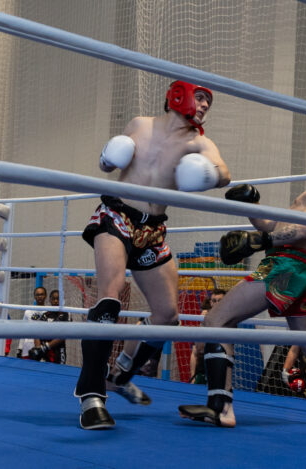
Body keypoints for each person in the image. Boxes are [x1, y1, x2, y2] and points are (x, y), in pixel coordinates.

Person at [179, 139, 306, 428]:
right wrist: (252, 208)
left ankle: (221, 408)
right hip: (297, 265)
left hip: (284, 266)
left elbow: (300, 231)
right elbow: (279, 229)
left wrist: (257, 241)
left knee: (217, 320)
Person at [75, 80, 231, 430]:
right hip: (116, 216)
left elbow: (224, 173)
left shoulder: (199, 143)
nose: (205, 106)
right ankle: (92, 397)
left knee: (167, 315)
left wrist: (209, 173)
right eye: (200, 97)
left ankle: (121, 374)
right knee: (109, 299)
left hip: (152, 230)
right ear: (178, 95)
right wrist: (106, 157)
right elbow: (106, 168)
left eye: (208, 102)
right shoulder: (140, 125)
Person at [189, 289, 227, 384]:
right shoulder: (205, 319)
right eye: (214, 301)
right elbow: (195, 353)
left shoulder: (229, 319)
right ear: (210, 302)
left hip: (220, 367)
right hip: (203, 369)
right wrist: (193, 376)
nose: (217, 304)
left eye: (220, 301)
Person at [27, 290, 70, 364]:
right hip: (44, 352)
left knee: (59, 370)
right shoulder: (45, 315)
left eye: (58, 299)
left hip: (58, 351)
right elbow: (37, 332)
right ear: (50, 300)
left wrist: (46, 346)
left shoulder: (66, 314)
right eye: (53, 299)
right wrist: (39, 349)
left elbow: (64, 335)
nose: (56, 301)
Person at [17, 286, 48, 359]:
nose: (40, 297)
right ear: (34, 296)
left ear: (45, 296)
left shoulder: (49, 312)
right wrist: (20, 348)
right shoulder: (28, 311)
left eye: (42, 294)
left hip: (42, 348)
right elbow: (23, 330)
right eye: (37, 295)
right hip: (27, 347)